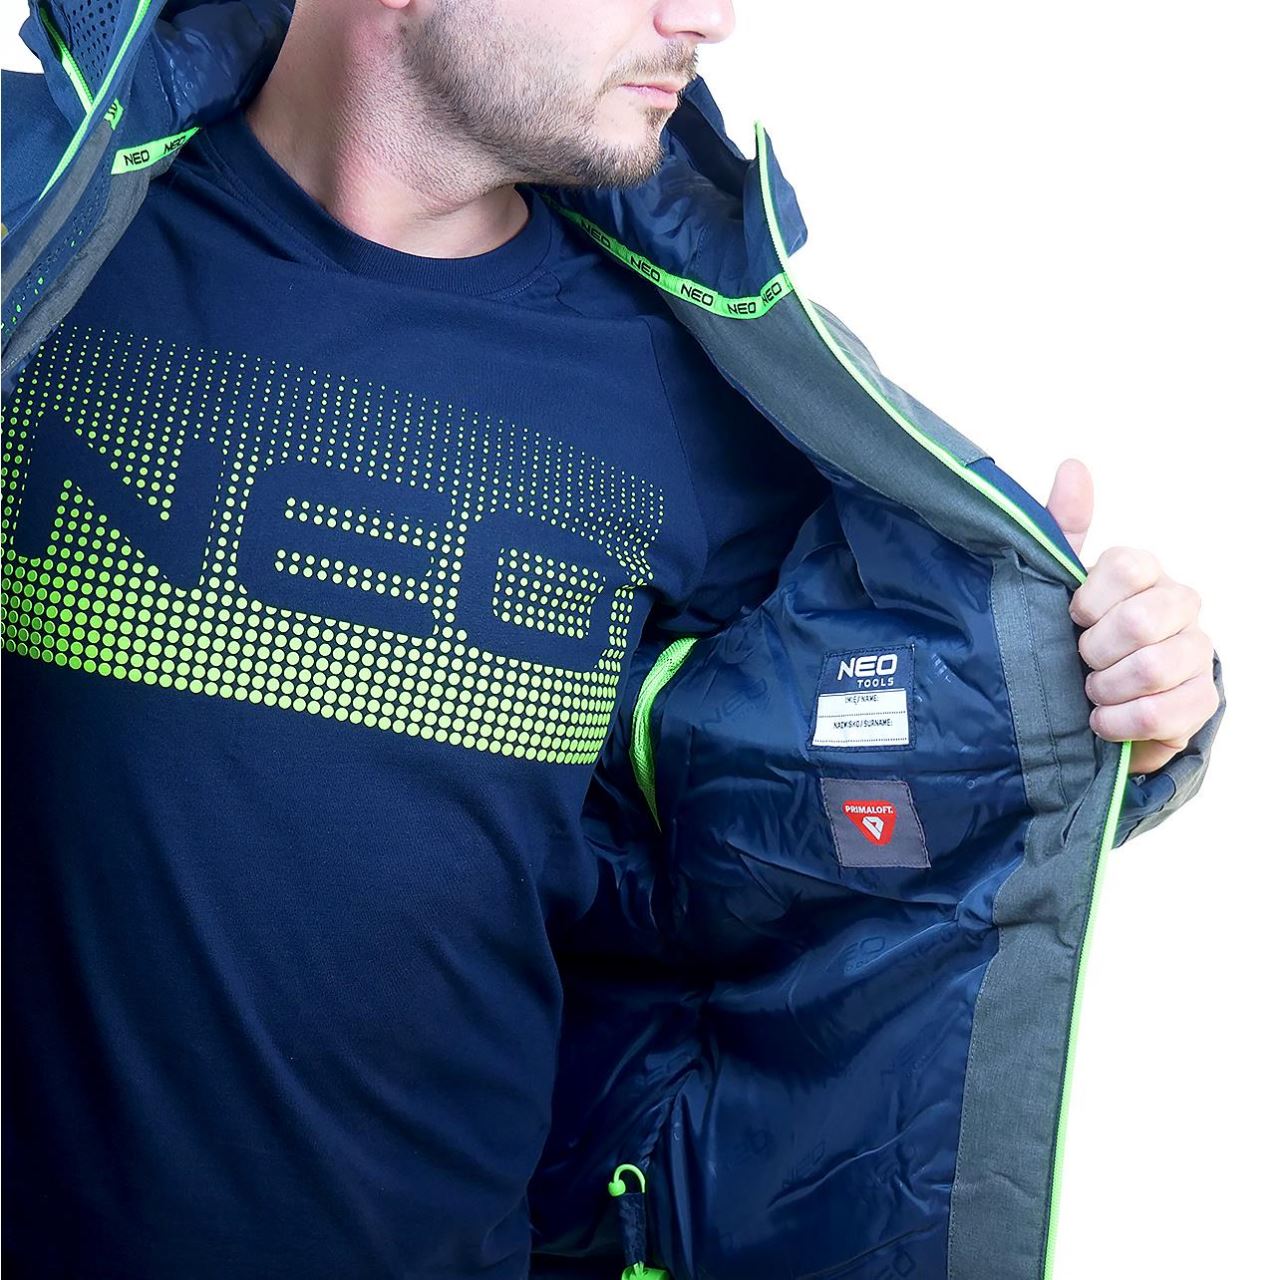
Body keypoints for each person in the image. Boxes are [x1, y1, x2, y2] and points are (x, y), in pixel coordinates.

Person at [0, 2, 1222, 1277]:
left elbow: (879, 741)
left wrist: (1106, 682)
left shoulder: (673, 377)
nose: (708, 18)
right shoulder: (46, 235)